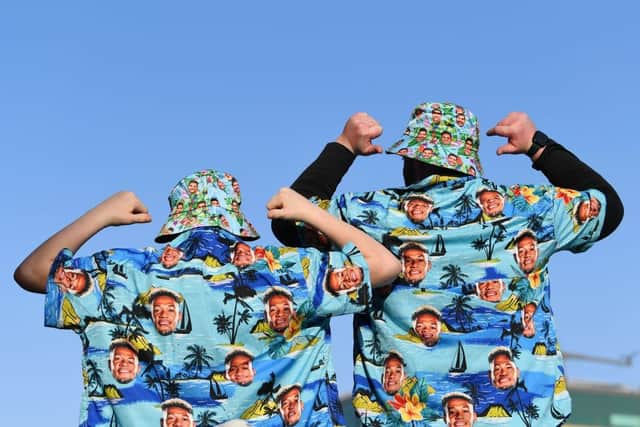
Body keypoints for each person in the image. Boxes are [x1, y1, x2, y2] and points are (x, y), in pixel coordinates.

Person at [271, 103, 623, 425]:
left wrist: (344, 145)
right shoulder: (529, 209)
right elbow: (608, 207)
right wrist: (538, 145)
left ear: (409, 159)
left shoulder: (369, 216)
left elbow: (288, 215)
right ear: (470, 161)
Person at [14, 169, 400, 427]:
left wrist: (104, 213)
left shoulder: (124, 276)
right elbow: (383, 265)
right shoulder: (287, 273)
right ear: (237, 219)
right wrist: (309, 212)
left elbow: (31, 273)